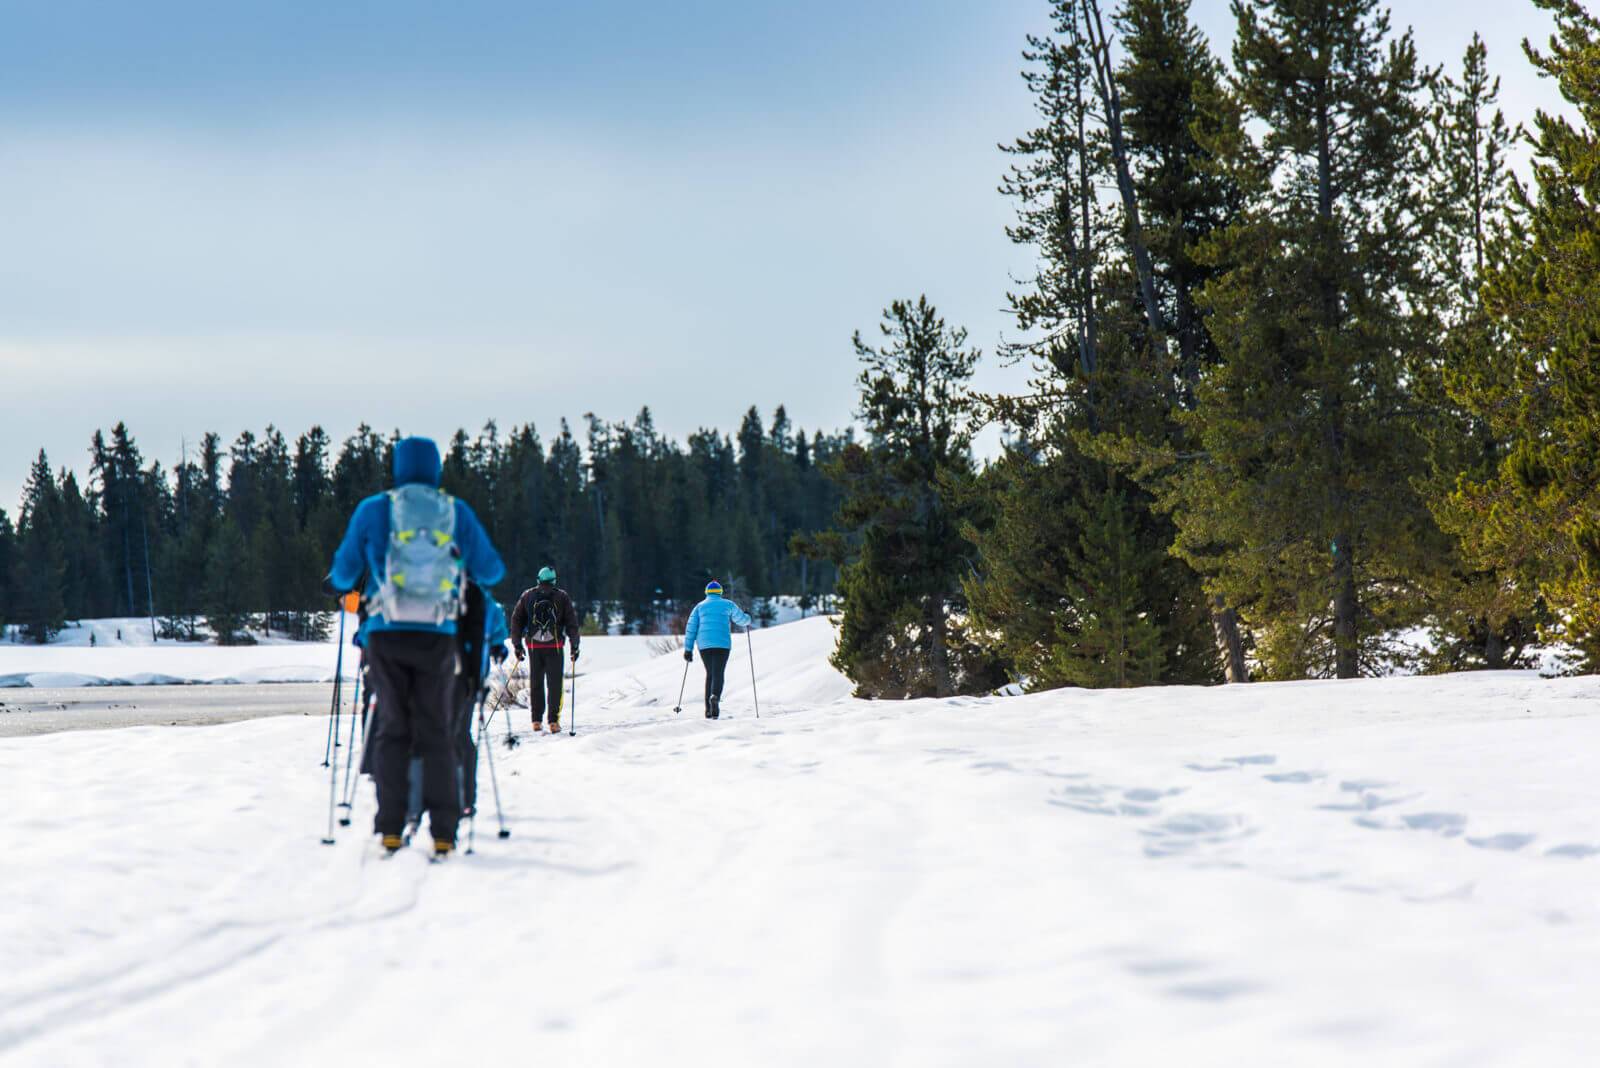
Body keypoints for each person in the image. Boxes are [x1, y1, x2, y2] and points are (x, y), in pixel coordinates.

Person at [327, 436, 505, 860]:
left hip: (385, 634)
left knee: (393, 727)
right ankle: (444, 831)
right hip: (438, 637)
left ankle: (390, 827)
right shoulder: (453, 511)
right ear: (436, 468)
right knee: (438, 730)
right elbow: (491, 569)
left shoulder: (374, 509)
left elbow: (342, 573)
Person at [510, 566, 581, 733]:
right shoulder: (562, 597)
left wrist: (517, 645)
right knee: (555, 684)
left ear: (538, 580)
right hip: (555, 647)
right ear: (554, 580)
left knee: (536, 683)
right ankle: (553, 722)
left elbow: (516, 621)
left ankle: (536, 720)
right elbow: (572, 623)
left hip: (534, 647)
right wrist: (575, 645)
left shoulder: (527, 596)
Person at [683, 579, 751, 719]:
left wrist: (688, 649)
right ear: (720, 592)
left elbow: (691, 628)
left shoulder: (699, 607)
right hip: (722, 644)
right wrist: (747, 617)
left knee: (710, 674)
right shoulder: (727, 604)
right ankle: (715, 697)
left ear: (707, 592)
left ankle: (708, 710)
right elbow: (742, 620)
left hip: (704, 645)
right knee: (718, 672)